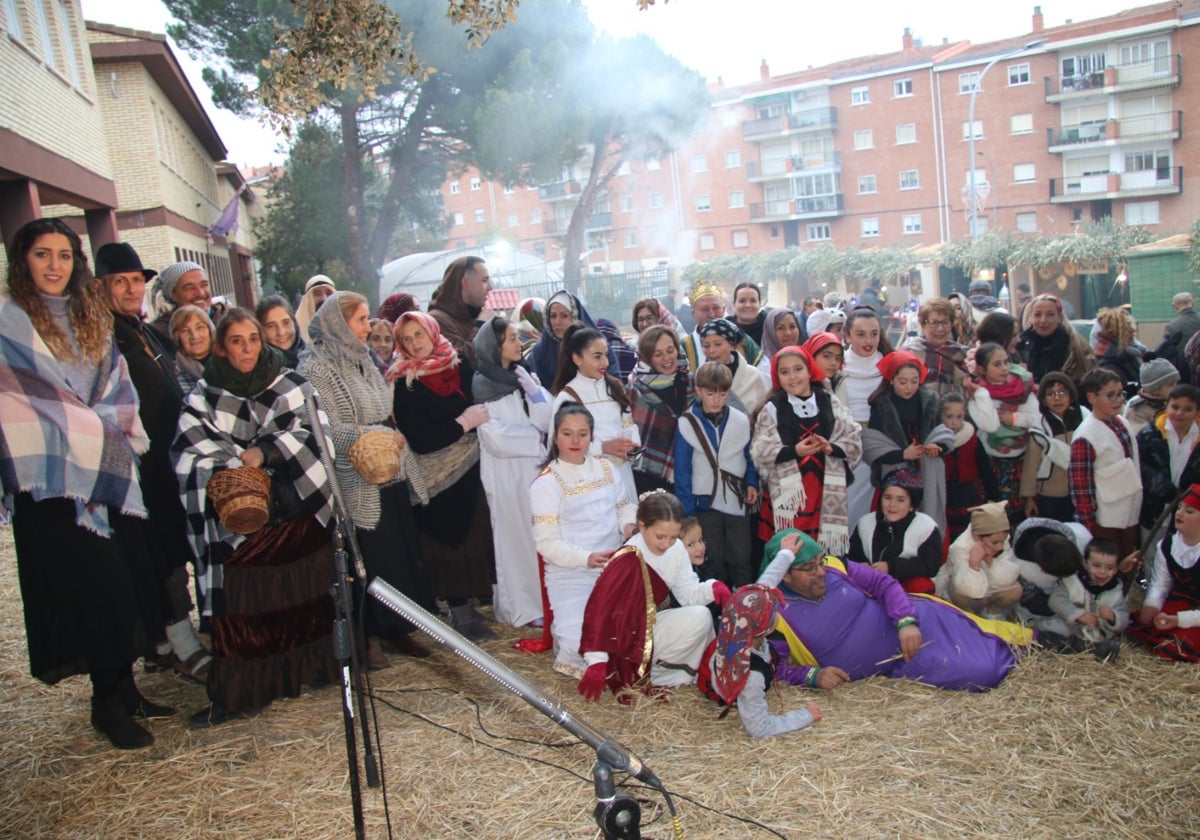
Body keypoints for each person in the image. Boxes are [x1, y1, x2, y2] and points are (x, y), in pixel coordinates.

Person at [1, 218, 173, 749]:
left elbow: (115, 382)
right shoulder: (9, 320)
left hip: (109, 467)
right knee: (94, 590)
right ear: (22, 261)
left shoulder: (91, 313)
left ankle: (124, 687)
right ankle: (105, 703)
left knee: (128, 583)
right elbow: (24, 399)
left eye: (64, 255)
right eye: (42, 255)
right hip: (54, 483)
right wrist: (87, 432)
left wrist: (106, 433)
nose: (54, 265)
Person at [172, 307, 338, 726]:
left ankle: (307, 670)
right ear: (222, 349)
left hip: (293, 509)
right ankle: (246, 691)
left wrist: (268, 452)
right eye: (235, 341)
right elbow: (190, 452)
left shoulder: (290, 383)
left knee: (301, 592)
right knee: (240, 600)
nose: (246, 348)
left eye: (252, 339)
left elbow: (314, 432)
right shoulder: (204, 394)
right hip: (238, 521)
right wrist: (234, 470)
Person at [298, 292, 434, 665]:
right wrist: (365, 437)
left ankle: (399, 627)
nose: (368, 327)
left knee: (397, 554)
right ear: (338, 324)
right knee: (369, 556)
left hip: (387, 467)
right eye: (360, 320)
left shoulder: (366, 361)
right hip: (355, 475)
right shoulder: (316, 368)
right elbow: (319, 426)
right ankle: (369, 635)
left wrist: (390, 433)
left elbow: (383, 408)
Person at [95, 242, 210, 682]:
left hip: (168, 463)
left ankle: (168, 643)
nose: (129, 289)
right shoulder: (104, 334)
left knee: (171, 551)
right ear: (102, 286)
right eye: (119, 281)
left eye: (135, 281)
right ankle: (177, 645)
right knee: (156, 557)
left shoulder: (143, 330)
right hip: (137, 467)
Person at [760, 529, 1027, 692]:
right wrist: (813, 676)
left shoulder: (835, 566)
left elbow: (883, 583)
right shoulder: (772, 615)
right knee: (984, 673)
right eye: (809, 569)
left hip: (918, 622)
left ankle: (1045, 640)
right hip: (902, 663)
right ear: (784, 576)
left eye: (820, 562)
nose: (821, 572)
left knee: (1002, 636)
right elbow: (775, 668)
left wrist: (906, 621)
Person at [390, 311, 496, 641]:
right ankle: (460, 613)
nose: (413, 344)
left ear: (432, 333)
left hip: (470, 469)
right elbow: (419, 438)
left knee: (473, 536)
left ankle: (475, 609)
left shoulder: (458, 364)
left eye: (418, 335)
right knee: (447, 544)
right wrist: (463, 424)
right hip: (435, 478)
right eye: (405, 339)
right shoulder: (403, 381)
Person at [577, 492, 728, 702]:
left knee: (701, 615)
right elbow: (600, 610)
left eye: (674, 537)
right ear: (642, 526)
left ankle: (663, 678)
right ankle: (637, 679)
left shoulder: (676, 550)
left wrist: (712, 589)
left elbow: (686, 594)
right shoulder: (627, 557)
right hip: (621, 638)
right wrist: (596, 660)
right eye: (660, 536)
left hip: (649, 626)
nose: (667, 544)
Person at [530, 403, 637, 677]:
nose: (575, 441)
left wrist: (628, 526)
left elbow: (624, 506)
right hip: (571, 574)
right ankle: (565, 639)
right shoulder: (546, 484)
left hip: (613, 567)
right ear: (555, 436)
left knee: (630, 635)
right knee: (581, 642)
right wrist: (585, 558)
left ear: (592, 436)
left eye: (583, 434)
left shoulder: (605, 468)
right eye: (567, 434)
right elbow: (547, 544)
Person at [472, 315, 553, 628]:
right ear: (495, 345)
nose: (519, 343)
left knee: (536, 534)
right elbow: (495, 438)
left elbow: (546, 418)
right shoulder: (482, 384)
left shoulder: (521, 376)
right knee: (514, 538)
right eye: (511, 339)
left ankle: (543, 601)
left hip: (532, 471)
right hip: (506, 475)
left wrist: (535, 394)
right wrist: (537, 437)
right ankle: (521, 605)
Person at [752, 346, 861, 555]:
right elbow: (760, 450)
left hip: (823, 490)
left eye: (798, 369)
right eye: (785, 372)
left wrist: (832, 448)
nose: (793, 377)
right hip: (788, 493)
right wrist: (794, 451)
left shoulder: (829, 402)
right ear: (777, 377)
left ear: (810, 370)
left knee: (821, 550)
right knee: (789, 548)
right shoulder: (773, 408)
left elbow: (853, 438)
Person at [675, 362, 760, 586]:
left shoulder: (739, 420)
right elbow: (682, 470)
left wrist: (752, 483)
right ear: (698, 391)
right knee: (713, 558)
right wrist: (688, 512)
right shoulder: (687, 423)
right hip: (704, 502)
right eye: (710, 393)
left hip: (736, 498)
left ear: (729, 392)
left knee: (741, 556)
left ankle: (746, 602)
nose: (716, 399)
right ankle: (719, 606)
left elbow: (749, 456)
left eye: (722, 393)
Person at [701, 581, 822, 738]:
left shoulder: (733, 632)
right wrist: (806, 716)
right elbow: (759, 729)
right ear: (768, 628)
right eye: (774, 613)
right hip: (741, 689)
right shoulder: (751, 676)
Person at [551, 324, 640, 503]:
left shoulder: (615, 387)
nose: (605, 363)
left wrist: (632, 445)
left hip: (622, 474)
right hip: (588, 481)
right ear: (577, 358)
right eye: (597, 357)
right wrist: (604, 447)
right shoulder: (568, 396)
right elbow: (562, 447)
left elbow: (628, 423)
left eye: (606, 355)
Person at [1070, 368, 1143, 560]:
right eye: (1111, 395)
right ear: (1092, 397)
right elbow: (1081, 486)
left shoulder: (1121, 421)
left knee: (1128, 561)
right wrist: (1089, 525)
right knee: (1109, 566)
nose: (1118, 400)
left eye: (1121, 394)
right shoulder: (1085, 436)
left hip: (1130, 511)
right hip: (1106, 519)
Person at [1129, 484, 1200, 661]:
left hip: (1196, 614)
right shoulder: (1167, 545)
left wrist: (1180, 620)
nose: (1179, 514)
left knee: (1174, 646)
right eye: (1180, 508)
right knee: (1136, 629)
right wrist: (1152, 604)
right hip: (1176, 605)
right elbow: (1160, 583)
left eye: (1189, 511)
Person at [846, 465, 942, 594]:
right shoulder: (866, 523)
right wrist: (862, 565)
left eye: (900, 500)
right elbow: (853, 555)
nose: (892, 505)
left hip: (905, 589)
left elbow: (930, 566)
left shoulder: (925, 528)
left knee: (920, 585)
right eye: (887, 498)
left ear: (912, 505)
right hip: (871, 584)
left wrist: (891, 567)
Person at [969, 342, 1039, 515]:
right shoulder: (976, 394)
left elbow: (1037, 419)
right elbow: (990, 426)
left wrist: (1014, 418)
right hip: (990, 464)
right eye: (997, 364)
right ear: (982, 369)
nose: (1004, 368)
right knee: (994, 516)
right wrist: (983, 395)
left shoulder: (1021, 388)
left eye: (1006, 362)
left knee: (1020, 515)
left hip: (1022, 462)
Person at [837, 307, 893, 525]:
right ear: (848, 335)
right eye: (861, 334)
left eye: (874, 334)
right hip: (847, 445)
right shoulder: (838, 365)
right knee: (849, 506)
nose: (868, 340)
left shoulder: (890, 364)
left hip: (882, 444)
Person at [627, 325, 693, 495]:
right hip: (647, 475)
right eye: (657, 354)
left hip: (688, 471)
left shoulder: (690, 381)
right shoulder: (635, 390)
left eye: (670, 350)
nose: (667, 358)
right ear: (647, 357)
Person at [934, 501, 1021, 618]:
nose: (1000, 546)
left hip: (988, 590)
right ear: (977, 537)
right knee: (960, 593)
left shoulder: (999, 537)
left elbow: (1009, 574)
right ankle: (969, 618)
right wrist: (974, 564)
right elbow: (965, 588)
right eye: (995, 542)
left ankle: (992, 615)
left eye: (1003, 541)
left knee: (1015, 590)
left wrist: (991, 563)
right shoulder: (960, 547)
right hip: (962, 596)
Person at [1047, 537, 1127, 661]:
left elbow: (1124, 617)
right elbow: (1055, 600)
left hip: (1096, 634)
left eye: (1109, 568)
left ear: (1116, 569)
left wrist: (1113, 617)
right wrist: (1077, 614)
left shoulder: (1115, 591)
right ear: (1085, 563)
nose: (1102, 572)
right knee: (1055, 628)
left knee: (1102, 641)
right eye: (1096, 566)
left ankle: (1095, 650)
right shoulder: (1073, 581)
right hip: (1071, 627)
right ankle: (1069, 646)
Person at [1020, 372, 1085, 522]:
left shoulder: (1083, 418)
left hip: (1078, 489)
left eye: (1062, 392)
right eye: (1050, 394)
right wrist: (1029, 497)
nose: (1057, 398)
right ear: (1043, 400)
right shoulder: (1040, 427)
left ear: (1071, 396)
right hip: (1049, 492)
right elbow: (1031, 464)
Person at [1137, 383, 1200, 537]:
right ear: (1166, 405)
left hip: (1189, 511)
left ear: (1197, 411)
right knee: (1150, 555)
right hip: (1153, 509)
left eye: (1188, 409)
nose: (1180, 413)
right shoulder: (1149, 435)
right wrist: (1165, 488)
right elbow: (1139, 466)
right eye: (1175, 407)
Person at [940, 392, 999, 544]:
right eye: (949, 417)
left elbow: (985, 469)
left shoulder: (971, 438)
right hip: (945, 495)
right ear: (941, 416)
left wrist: (994, 497)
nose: (954, 422)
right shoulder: (936, 439)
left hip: (969, 494)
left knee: (970, 535)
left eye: (959, 417)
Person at [526, 290, 610, 387]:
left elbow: (611, 380)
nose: (557, 322)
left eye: (564, 316)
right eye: (553, 316)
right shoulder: (541, 351)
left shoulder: (598, 347)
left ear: (575, 316)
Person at [428, 256, 491, 369]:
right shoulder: (437, 320)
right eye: (484, 281)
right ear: (465, 284)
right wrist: (481, 326)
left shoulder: (474, 312)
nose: (490, 288)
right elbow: (460, 362)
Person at [1018, 293, 1094, 386]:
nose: (1043, 320)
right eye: (1037, 315)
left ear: (1059, 317)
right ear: (1031, 317)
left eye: (1050, 315)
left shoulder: (1074, 346)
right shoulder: (1020, 344)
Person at [698, 317, 769, 415]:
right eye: (706, 346)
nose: (711, 350)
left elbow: (765, 416)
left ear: (732, 345)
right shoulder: (699, 377)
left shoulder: (754, 376)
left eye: (718, 344)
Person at [901, 297, 968, 397]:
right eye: (934, 323)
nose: (940, 329)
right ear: (923, 324)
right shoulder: (909, 354)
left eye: (946, 322)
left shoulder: (962, 353)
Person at [1091, 307, 1145, 399]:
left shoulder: (1133, 354)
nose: (1133, 329)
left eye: (1131, 324)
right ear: (1114, 332)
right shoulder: (1107, 366)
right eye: (1127, 325)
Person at [150, 260, 212, 333]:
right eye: (189, 288)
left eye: (204, 285)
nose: (200, 293)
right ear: (173, 295)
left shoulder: (220, 319)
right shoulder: (160, 334)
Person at [1124, 358, 1179, 436]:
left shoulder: (1175, 402)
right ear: (1155, 389)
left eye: (1177, 383)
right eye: (1171, 385)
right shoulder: (1138, 411)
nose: (1176, 387)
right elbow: (1142, 438)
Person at [1154, 292, 1200, 384]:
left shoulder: (1172, 326)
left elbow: (1168, 353)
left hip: (1186, 376)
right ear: (1192, 303)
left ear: (1176, 306)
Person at [170, 304, 216, 393]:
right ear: (177, 338)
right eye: (184, 331)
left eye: (200, 327)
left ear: (210, 331)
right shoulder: (176, 379)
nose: (194, 336)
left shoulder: (232, 362)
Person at [256, 294, 305, 368]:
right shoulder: (260, 371)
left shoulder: (316, 358)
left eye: (286, 323)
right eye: (271, 326)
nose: (281, 332)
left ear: (294, 323)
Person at [757, 307, 804, 376]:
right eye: (781, 328)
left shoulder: (806, 359)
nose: (788, 333)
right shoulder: (764, 368)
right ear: (771, 332)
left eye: (792, 327)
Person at [732, 282, 768, 348]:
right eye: (742, 301)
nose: (748, 305)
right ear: (734, 304)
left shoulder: (769, 326)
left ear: (759, 304)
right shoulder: (726, 328)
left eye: (753, 301)